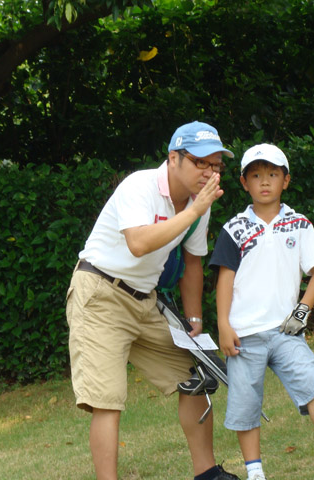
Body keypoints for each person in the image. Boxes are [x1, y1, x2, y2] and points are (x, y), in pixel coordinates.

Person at [65, 121, 240, 480]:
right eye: (201, 162)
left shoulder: (199, 203)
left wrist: (194, 320)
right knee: (107, 400)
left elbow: (193, 261)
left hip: (145, 301)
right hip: (100, 293)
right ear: (174, 158)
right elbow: (139, 243)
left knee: (195, 376)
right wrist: (194, 211)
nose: (209, 172)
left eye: (216, 165)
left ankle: (207, 474)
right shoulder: (140, 186)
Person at [209, 144, 314, 480]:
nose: (264, 181)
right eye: (256, 175)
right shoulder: (234, 228)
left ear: (286, 180)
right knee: (246, 405)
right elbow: (225, 279)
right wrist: (223, 325)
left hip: (287, 331)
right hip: (243, 334)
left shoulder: (299, 224)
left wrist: (302, 311)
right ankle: (255, 473)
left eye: (272, 174)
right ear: (244, 182)